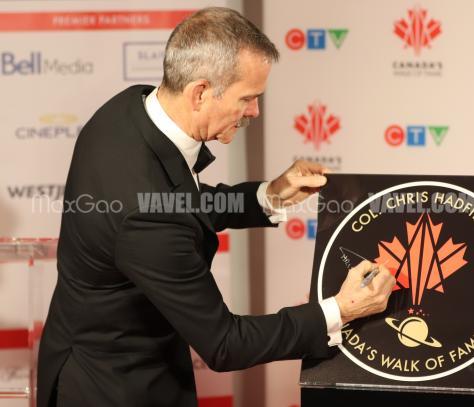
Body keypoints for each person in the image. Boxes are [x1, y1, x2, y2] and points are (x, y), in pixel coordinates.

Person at [37, 7, 395, 407]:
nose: (255, 112)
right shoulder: (146, 215)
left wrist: (270, 195)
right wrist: (340, 310)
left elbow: (175, 199)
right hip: (115, 390)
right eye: (248, 98)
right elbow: (226, 343)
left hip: (90, 360)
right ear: (201, 92)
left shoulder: (130, 110)